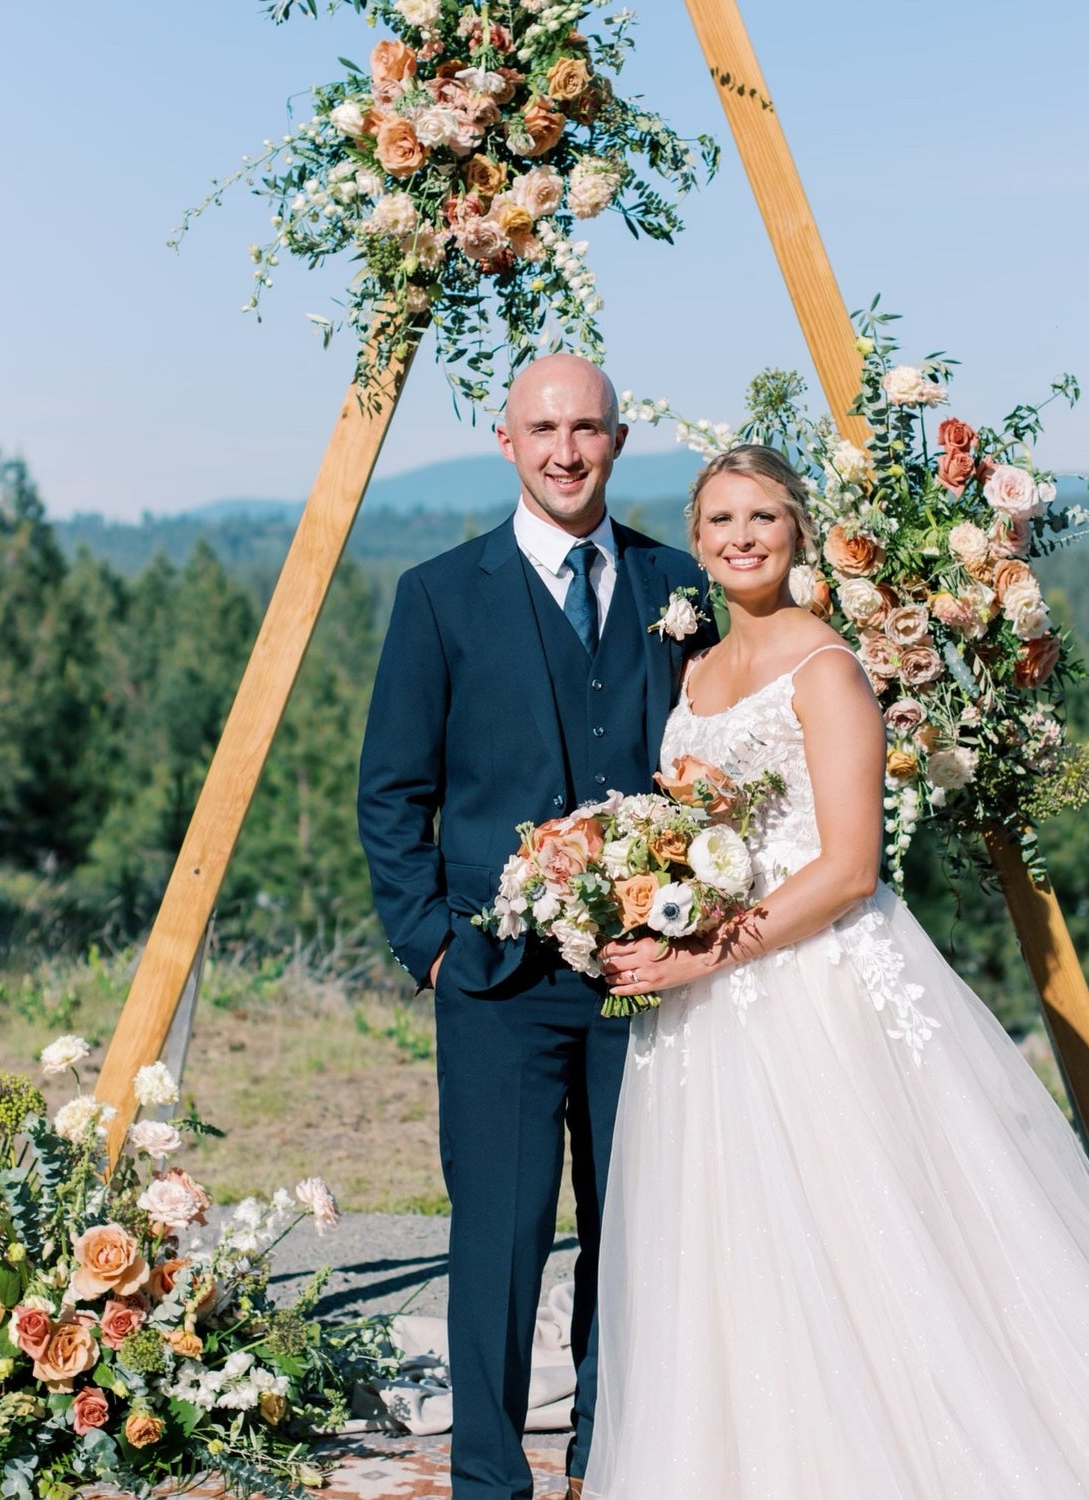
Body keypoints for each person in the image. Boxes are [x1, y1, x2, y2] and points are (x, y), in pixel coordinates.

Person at [583, 445, 1089, 1498]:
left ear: (798, 530)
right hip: (708, 1013)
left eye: (763, 517)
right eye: (721, 520)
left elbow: (849, 868)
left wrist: (702, 954)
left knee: (871, 1236)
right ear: (696, 540)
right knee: (736, 1250)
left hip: (817, 990)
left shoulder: (825, 669)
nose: (741, 538)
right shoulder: (695, 675)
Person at [357, 353, 715, 1500]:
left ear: (618, 442)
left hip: (644, 975)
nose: (567, 451)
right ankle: (489, 1480)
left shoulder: (681, 585)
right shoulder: (438, 595)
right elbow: (391, 790)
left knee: (634, 1232)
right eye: (545, 429)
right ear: (506, 441)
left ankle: (610, 1464)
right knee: (501, 1240)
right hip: (495, 981)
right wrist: (430, 945)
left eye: (588, 429)